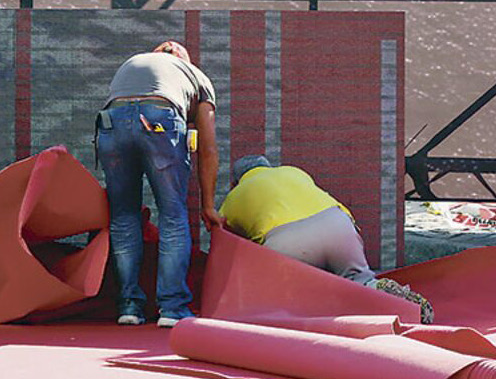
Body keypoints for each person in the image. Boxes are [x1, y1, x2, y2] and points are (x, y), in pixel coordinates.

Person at [220, 155, 434, 323]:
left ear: (235, 181)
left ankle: (307, 312)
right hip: (338, 224)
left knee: (280, 299)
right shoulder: (293, 172)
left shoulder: (234, 196)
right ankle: (377, 290)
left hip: (284, 241)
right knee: (358, 280)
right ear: (268, 167)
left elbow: (227, 239)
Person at [96, 41, 221, 328]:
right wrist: (209, 206)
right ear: (183, 59)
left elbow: (125, 110)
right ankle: (172, 307)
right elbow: (209, 148)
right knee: (173, 216)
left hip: (112, 121)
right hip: (161, 120)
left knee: (123, 217)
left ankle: (128, 306)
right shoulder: (195, 76)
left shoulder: (133, 63)